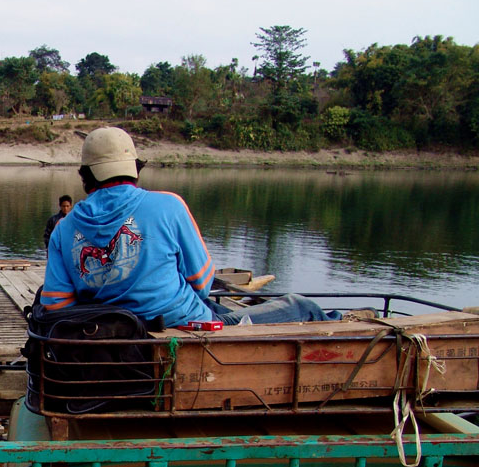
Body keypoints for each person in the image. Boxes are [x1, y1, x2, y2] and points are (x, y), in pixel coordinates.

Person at [42, 127, 343, 327]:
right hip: (186, 326)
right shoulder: (169, 206)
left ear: (86, 176)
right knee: (300, 306)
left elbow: (56, 305)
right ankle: (339, 325)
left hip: (113, 333)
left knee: (212, 305)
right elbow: (202, 282)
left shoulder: (64, 229)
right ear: (133, 168)